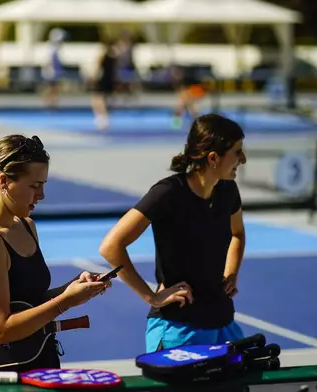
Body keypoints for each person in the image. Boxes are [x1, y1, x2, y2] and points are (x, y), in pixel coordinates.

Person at [0, 134, 111, 381]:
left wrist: (70, 290)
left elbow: (28, 301)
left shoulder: (26, 225)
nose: (41, 195)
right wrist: (65, 302)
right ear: (4, 181)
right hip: (6, 377)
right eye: (34, 185)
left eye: (43, 184)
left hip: (42, 364)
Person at [99, 113, 248, 352]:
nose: (243, 159)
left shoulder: (228, 191)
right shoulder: (168, 193)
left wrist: (231, 272)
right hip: (177, 330)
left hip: (224, 324)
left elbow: (237, 234)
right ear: (213, 158)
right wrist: (151, 297)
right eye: (237, 152)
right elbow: (110, 246)